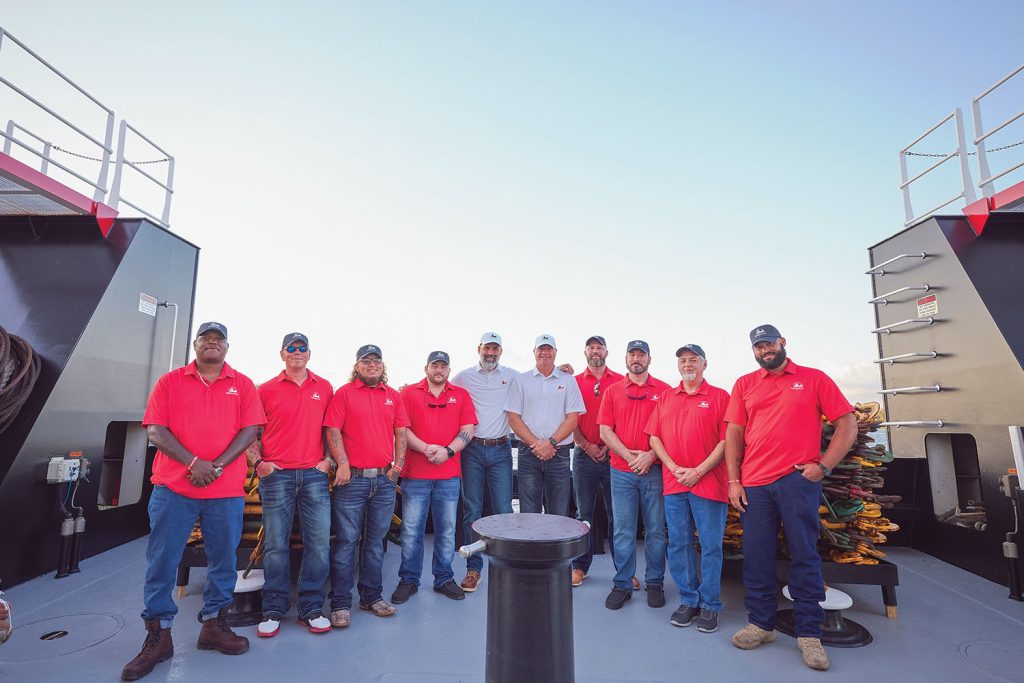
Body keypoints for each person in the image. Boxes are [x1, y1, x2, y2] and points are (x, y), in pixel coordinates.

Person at [122, 322, 264, 681]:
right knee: (162, 561)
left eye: (218, 339)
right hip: (174, 489)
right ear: (197, 345)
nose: (212, 343)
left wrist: (215, 466)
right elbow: (155, 429)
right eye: (206, 339)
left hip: (225, 490)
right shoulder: (170, 382)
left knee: (223, 561)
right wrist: (192, 463)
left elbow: (250, 430)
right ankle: (159, 635)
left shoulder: (243, 384)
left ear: (227, 347)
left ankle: (215, 625)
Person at [725, 324, 857, 671]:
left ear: (782, 343)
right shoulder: (744, 384)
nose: (764, 350)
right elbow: (734, 434)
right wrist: (734, 480)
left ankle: (809, 634)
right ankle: (761, 624)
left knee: (804, 554)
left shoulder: (814, 379)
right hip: (754, 484)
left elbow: (847, 424)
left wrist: (824, 467)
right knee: (756, 555)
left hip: (797, 481)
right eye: (758, 347)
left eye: (769, 344)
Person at [249, 333, 334, 638]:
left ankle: (311, 607)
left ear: (310, 354)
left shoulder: (324, 387)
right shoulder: (266, 390)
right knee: (275, 545)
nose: (297, 352)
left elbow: (332, 430)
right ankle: (273, 608)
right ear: (282, 354)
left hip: (313, 475)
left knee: (319, 544)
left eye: (303, 348)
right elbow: (250, 431)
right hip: (277, 476)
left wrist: (327, 461)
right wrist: (260, 463)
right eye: (292, 348)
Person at [324, 344, 409, 628]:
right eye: (366, 360)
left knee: (375, 544)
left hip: (384, 481)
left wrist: (397, 468)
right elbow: (332, 430)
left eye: (377, 360)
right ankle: (340, 603)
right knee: (347, 542)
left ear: (383, 366)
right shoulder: (344, 393)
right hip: (352, 480)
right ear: (357, 366)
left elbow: (400, 433)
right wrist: (343, 464)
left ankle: (371, 597)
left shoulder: (393, 396)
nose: (372, 364)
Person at [646, 344, 729, 633]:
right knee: (679, 543)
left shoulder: (720, 397)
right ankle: (689, 599)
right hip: (675, 482)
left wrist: (698, 471)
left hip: (709, 482)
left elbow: (725, 441)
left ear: (705, 365)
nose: (688, 364)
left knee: (710, 545)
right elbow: (655, 437)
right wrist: (672, 467)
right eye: (683, 360)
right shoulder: (666, 397)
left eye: (693, 359)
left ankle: (710, 604)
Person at [392, 351, 478, 604]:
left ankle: (443, 578)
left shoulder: (461, 395)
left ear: (449, 370)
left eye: (443, 366)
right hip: (415, 474)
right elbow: (401, 428)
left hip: (449, 475)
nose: (439, 370)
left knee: (447, 530)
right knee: (410, 531)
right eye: (434, 365)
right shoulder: (407, 394)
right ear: (426, 367)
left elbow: (468, 429)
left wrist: (448, 451)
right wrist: (426, 448)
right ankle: (408, 580)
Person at [597, 340, 670, 610]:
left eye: (641, 354)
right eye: (632, 354)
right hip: (621, 472)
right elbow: (605, 431)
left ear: (649, 359)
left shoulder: (664, 391)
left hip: (654, 471)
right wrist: (630, 458)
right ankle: (623, 584)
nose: (636, 358)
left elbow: (668, 431)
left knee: (655, 531)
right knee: (623, 531)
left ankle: (654, 583)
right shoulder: (613, 391)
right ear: (626, 358)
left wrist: (649, 457)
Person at [450, 332, 517, 592]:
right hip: (472, 450)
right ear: (479, 348)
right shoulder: (464, 377)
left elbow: (537, 381)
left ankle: (505, 567)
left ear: (501, 351)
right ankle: (473, 569)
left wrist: (561, 369)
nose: (491, 353)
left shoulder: (511, 375)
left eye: (495, 348)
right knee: (472, 510)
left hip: (501, 449)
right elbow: (445, 391)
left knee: (504, 510)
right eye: (487, 348)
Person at [505, 334, 586, 517]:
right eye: (541, 349)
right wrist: (537, 444)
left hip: (559, 452)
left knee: (558, 512)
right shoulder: (522, 380)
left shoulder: (568, 381)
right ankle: (531, 546)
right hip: (528, 452)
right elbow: (513, 418)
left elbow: (572, 419)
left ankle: (553, 547)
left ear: (555, 352)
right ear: (534, 352)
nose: (545, 352)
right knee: (528, 512)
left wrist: (550, 443)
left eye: (549, 349)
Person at [570, 335, 622, 587]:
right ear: (585, 352)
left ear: (607, 352)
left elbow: (623, 419)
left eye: (599, 347)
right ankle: (580, 566)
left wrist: (609, 447)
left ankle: (623, 570)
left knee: (617, 515)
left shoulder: (621, 381)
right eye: (591, 347)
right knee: (583, 513)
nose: (595, 351)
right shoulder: (574, 382)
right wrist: (587, 445)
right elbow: (571, 419)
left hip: (614, 458)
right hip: (583, 455)